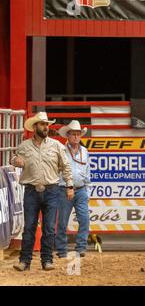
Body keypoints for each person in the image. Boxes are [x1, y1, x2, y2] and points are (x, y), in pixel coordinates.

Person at [11, 112, 74, 271]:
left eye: (47, 124)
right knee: (29, 227)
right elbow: (14, 159)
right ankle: (24, 261)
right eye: (42, 124)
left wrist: (70, 185)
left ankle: (47, 260)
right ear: (34, 127)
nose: (46, 127)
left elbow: (66, 166)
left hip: (51, 190)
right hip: (31, 191)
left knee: (49, 228)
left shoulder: (56, 145)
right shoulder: (24, 146)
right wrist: (16, 161)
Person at [55, 120, 91, 258]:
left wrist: (87, 190)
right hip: (64, 189)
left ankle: (81, 247)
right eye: (73, 134)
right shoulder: (62, 151)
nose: (76, 137)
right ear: (68, 136)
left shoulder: (85, 151)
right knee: (62, 221)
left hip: (81, 189)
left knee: (84, 219)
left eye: (78, 134)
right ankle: (62, 250)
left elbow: (87, 171)